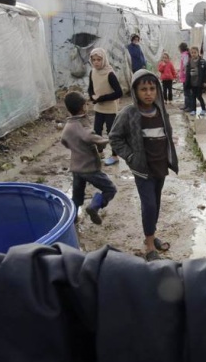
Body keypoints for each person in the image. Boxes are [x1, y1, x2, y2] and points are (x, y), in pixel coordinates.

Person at [109, 70, 178, 261]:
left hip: (160, 166)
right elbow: (115, 138)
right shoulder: (129, 113)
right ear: (135, 91)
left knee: (156, 203)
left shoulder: (161, 111)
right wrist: (130, 156)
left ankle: (151, 235)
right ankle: (149, 245)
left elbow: (167, 134)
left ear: (157, 90)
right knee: (149, 204)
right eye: (143, 89)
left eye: (152, 89)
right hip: (142, 169)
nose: (148, 93)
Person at [60, 91, 117, 225]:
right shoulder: (81, 125)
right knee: (110, 189)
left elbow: (64, 141)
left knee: (77, 196)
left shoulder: (68, 125)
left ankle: (72, 220)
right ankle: (94, 206)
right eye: (86, 104)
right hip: (89, 168)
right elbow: (89, 137)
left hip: (76, 168)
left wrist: (75, 147)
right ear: (82, 107)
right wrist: (106, 140)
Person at [87, 48, 123, 166]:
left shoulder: (109, 73)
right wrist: (92, 96)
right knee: (97, 131)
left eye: (99, 59)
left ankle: (114, 156)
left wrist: (101, 98)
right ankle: (100, 152)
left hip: (110, 108)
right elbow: (90, 88)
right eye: (94, 60)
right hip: (98, 107)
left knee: (111, 132)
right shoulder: (92, 72)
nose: (96, 62)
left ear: (103, 60)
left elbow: (119, 93)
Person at [187, 46, 206, 116]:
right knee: (193, 97)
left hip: (199, 83)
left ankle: (203, 109)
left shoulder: (202, 62)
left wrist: (205, 81)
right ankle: (193, 110)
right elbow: (187, 72)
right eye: (192, 53)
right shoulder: (189, 62)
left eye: (195, 52)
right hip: (192, 83)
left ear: (198, 53)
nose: (193, 54)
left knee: (199, 96)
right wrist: (187, 82)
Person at [178, 42, 191, 111]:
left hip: (186, 77)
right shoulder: (185, 54)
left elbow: (185, 65)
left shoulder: (185, 55)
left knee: (187, 92)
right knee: (186, 92)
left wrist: (185, 73)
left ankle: (189, 106)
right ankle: (186, 105)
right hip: (185, 77)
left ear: (181, 49)